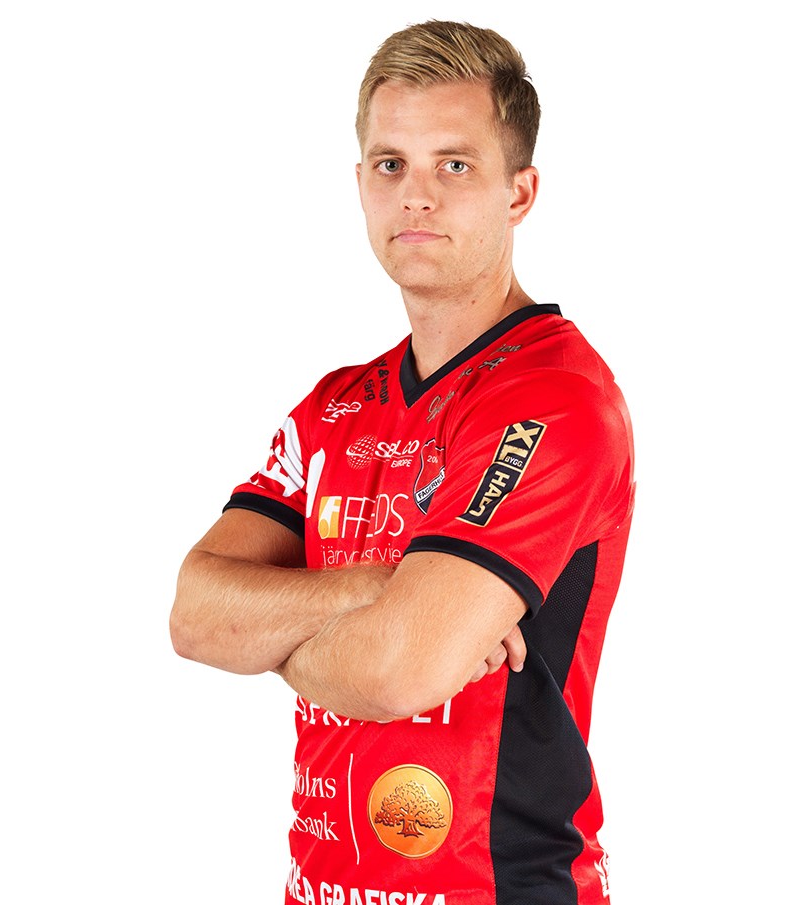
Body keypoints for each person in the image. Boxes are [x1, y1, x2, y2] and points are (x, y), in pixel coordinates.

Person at [170, 20, 635, 905]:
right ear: (360, 184)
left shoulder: (554, 397)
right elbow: (195, 615)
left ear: (519, 192)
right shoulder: (333, 405)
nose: (416, 196)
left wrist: (270, 637)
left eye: (453, 165)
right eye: (391, 165)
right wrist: (380, 589)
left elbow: (396, 672)